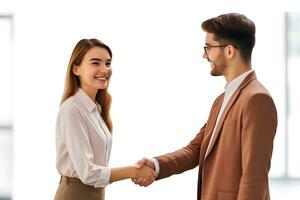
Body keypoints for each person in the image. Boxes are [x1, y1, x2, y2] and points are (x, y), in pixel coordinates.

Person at [133, 13, 278, 200]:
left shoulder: (257, 99)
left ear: (229, 51)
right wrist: (156, 165)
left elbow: (254, 176)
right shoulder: (222, 100)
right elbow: (196, 150)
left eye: (208, 47)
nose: (204, 55)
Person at [54, 38, 157, 200]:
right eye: (95, 63)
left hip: (96, 193)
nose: (105, 69)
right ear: (76, 69)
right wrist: (133, 171)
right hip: (76, 194)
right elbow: (88, 173)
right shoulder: (72, 109)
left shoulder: (96, 109)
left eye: (108, 63)